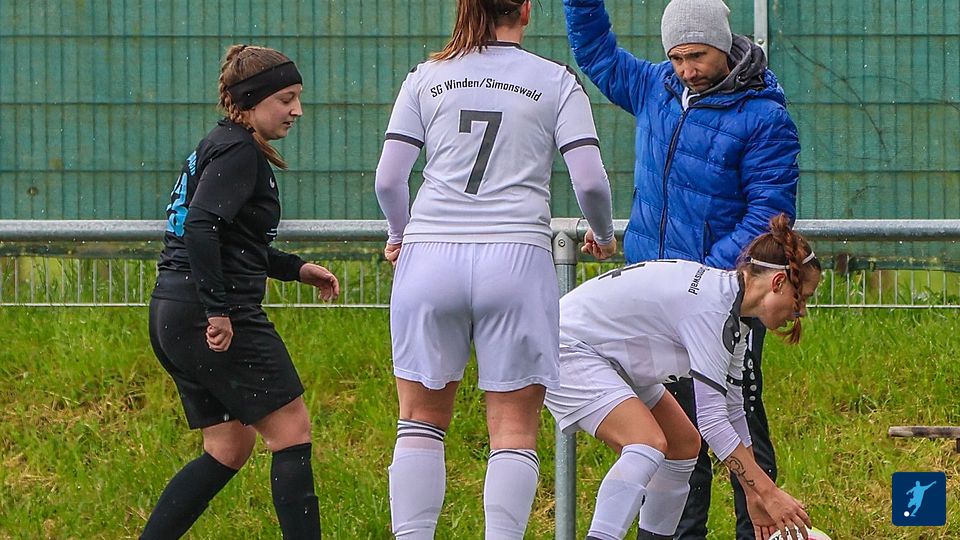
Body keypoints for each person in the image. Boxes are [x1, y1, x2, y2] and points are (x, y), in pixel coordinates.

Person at [374, 1, 617, 537]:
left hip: (430, 256)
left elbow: (389, 179)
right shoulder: (555, 81)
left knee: (419, 423)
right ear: (525, 9)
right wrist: (602, 235)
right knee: (513, 430)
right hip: (517, 258)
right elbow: (591, 182)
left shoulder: (426, 77)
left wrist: (399, 234)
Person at [561, 0, 802, 537]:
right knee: (682, 439)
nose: (687, 69)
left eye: (697, 56)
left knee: (736, 420)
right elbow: (597, 55)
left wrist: (701, 283)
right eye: (676, 57)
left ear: (724, 46)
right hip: (658, 307)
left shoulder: (764, 117)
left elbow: (768, 215)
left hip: (722, 300)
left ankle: (763, 525)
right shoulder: (656, 87)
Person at [142, 44, 339, 540]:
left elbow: (233, 240)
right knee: (291, 430)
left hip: (173, 310)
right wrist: (218, 311)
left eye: (298, 98)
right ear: (250, 101)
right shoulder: (238, 152)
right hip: (208, 313)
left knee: (228, 447)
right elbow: (201, 228)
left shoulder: (219, 144)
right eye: (286, 99)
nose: (297, 110)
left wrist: (296, 269)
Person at [544, 214, 819, 540]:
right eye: (803, 298)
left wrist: (754, 494)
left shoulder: (733, 312)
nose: (801, 311)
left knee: (683, 444)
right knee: (646, 441)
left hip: (609, 355)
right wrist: (769, 493)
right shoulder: (712, 311)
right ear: (778, 283)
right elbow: (713, 422)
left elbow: (733, 411)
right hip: (566, 346)